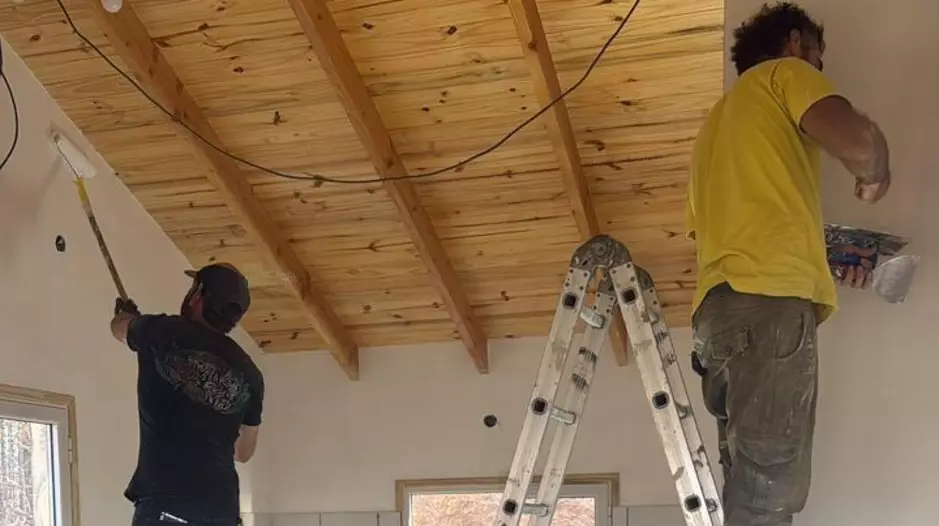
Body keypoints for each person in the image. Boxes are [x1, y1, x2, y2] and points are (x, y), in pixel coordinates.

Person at [686, 2, 890, 525]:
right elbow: (860, 145)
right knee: (768, 495)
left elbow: (738, 231)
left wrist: (824, 261)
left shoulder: (715, 127)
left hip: (717, 319)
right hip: (768, 313)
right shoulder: (783, 75)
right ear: (795, 43)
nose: (818, 70)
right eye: (818, 58)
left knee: (747, 487)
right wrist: (876, 173)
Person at [110, 263, 265, 526]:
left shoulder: (163, 331)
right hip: (222, 512)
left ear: (198, 294)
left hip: (167, 507)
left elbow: (118, 329)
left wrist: (128, 317)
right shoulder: (250, 373)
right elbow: (243, 452)